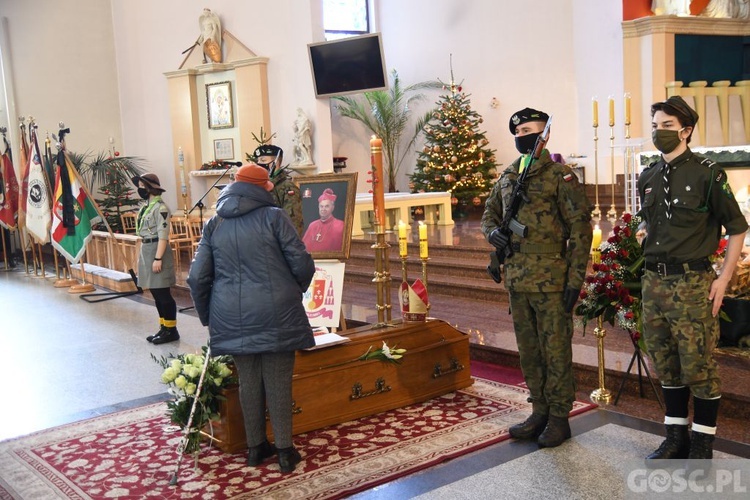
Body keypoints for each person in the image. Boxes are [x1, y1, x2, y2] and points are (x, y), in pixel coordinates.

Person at [637, 96, 747, 464]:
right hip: (654, 283)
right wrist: (642, 230)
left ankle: (702, 444)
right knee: (665, 363)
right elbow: (649, 221)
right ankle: (675, 438)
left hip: (692, 283)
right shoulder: (648, 175)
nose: (659, 131)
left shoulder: (708, 172)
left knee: (698, 366)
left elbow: (736, 228)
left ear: (685, 130)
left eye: (667, 125)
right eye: (655, 124)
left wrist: (724, 278)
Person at [187, 164, 315, 474]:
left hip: (231, 314)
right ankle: (285, 451)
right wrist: (292, 290)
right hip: (277, 312)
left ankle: (256, 449)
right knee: (278, 380)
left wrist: (210, 317)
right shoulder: (274, 217)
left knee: (248, 381)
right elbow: (302, 262)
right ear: (265, 188)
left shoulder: (215, 223)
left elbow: (197, 277)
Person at [481, 107, 592, 448]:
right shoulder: (508, 176)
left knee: (556, 350)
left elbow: (581, 230)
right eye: (517, 131)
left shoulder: (561, 176)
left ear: (545, 134)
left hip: (553, 280)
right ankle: (539, 410)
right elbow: (489, 214)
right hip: (517, 279)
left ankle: (559, 418)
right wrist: (493, 235)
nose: (522, 136)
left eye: (529, 129)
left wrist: (575, 280)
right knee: (529, 351)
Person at [132, 173, 179, 345]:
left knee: (162, 293)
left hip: (157, 249)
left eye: (142, 186)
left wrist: (158, 258)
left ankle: (172, 330)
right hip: (147, 248)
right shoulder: (147, 207)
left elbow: (163, 236)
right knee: (155, 292)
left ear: (150, 187)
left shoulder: (161, 208)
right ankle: (164, 327)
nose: (140, 189)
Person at [253, 144, 303, 235]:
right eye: (258, 160)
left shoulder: (287, 187)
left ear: (275, 162)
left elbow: (293, 222)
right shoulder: (260, 186)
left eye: (263, 160)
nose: (259, 163)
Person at [302, 188, 345, 252]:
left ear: (332, 207)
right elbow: (303, 249)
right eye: (321, 206)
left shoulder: (341, 226)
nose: (323, 209)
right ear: (318, 207)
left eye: (327, 206)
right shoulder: (312, 225)